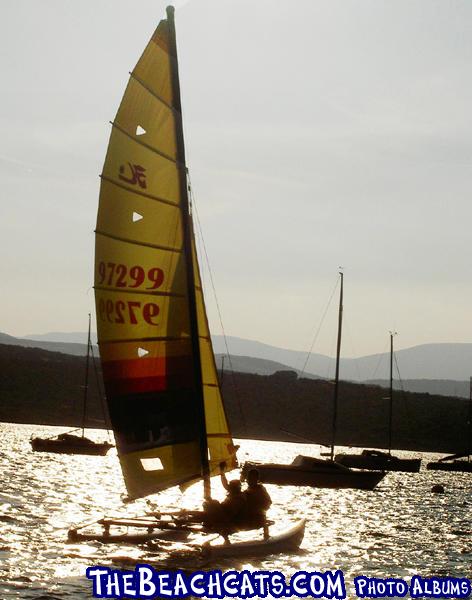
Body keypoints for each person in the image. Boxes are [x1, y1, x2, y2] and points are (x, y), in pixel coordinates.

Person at [243, 468, 272, 538]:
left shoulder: (260, 490)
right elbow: (228, 488)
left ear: (256, 479)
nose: (248, 481)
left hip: (258, 517)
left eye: (251, 479)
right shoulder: (247, 491)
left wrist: (258, 508)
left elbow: (268, 502)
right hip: (249, 516)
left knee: (262, 517)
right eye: (248, 479)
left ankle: (266, 535)